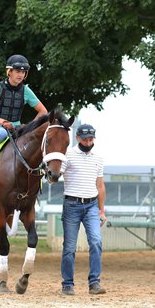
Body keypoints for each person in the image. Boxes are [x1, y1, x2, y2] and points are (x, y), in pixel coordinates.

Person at [0, 54, 47, 171]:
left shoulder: (26, 90)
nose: (20, 75)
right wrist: (2, 122)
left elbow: (43, 111)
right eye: (17, 71)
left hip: (17, 130)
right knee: (1, 133)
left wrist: (30, 127)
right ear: (9, 72)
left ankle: (41, 169)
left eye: (23, 72)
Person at [60, 123, 107, 296]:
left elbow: (100, 185)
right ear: (78, 138)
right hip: (71, 205)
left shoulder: (98, 158)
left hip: (92, 206)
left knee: (96, 242)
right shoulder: (68, 155)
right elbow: (57, 173)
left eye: (91, 139)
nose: (89, 142)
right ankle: (67, 284)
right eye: (86, 139)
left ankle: (94, 282)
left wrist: (102, 211)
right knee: (70, 247)